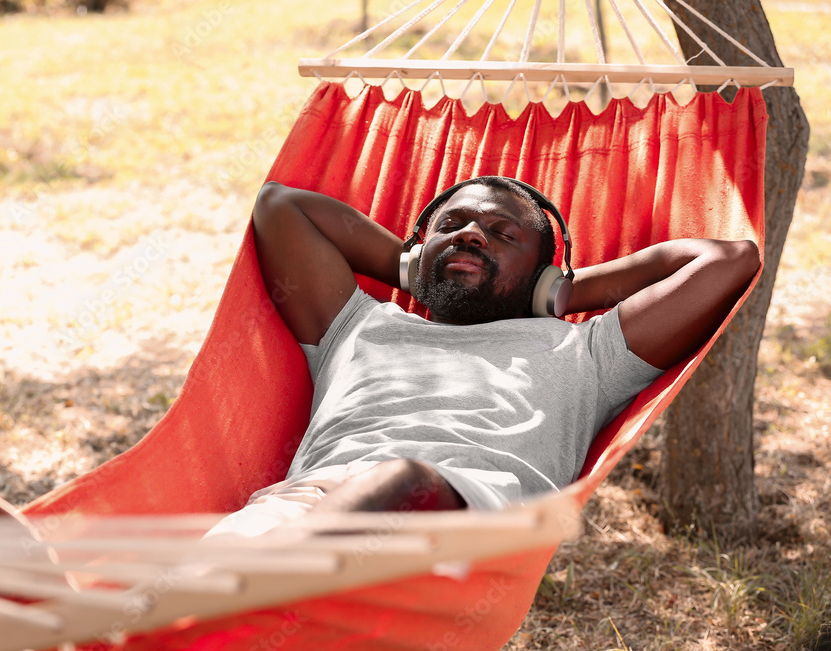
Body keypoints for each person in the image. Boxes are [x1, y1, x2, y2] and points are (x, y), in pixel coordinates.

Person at [204, 176, 760, 538]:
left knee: (404, 481)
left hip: (463, 519)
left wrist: (561, 295)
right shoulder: (357, 324)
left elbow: (727, 261)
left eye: (501, 233)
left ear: (543, 272)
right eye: (451, 225)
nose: (470, 234)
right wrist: (413, 267)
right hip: (299, 506)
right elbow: (282, 206)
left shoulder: (587, 351)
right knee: (206, 580)